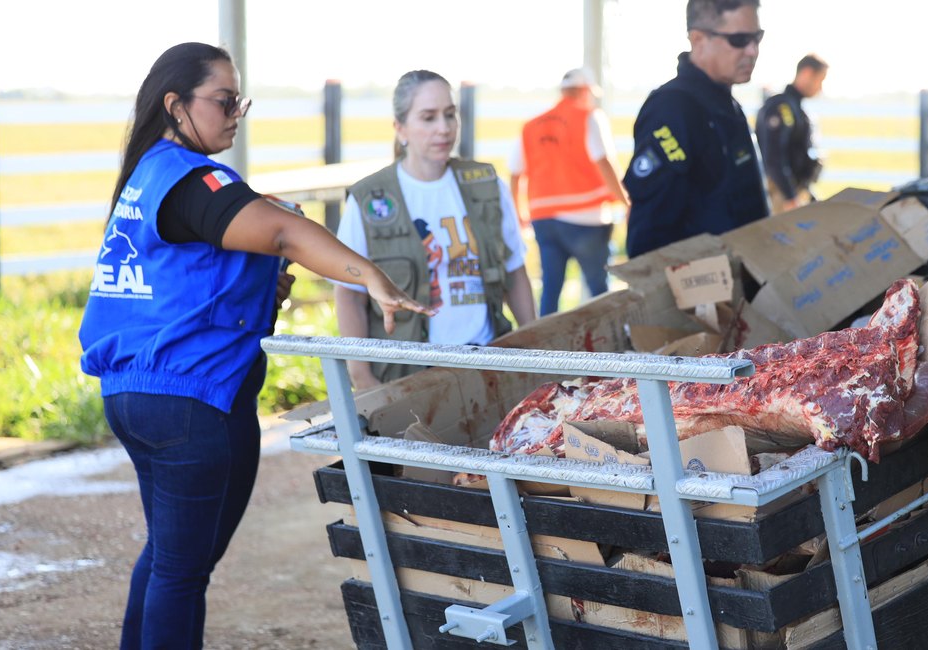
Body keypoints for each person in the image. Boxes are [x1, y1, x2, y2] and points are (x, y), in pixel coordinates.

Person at [77, 43, 430, 650]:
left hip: (135, 392)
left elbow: (198, 276)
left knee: (168, 557)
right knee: (183, 571)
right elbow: (285, 231)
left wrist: (260, 285)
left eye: (240, 100)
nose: (236, 111)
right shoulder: (195, 179)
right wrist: (369, 275)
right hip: (189, 400)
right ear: (175, 104)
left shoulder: (149, 175)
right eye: (222, 100)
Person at [333, 70, 536, 388]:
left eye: (450, 114)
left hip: (487, 363)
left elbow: (514, 272)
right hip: (409, 376)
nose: (443, 128)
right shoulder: (370, 199)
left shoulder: (486, 185)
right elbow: (349, 293)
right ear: (400, 128)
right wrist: (361, 375)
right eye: (428, 118)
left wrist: (533, 348)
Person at [623, 0, 769, 258]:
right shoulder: (674, 108)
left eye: (757, 38)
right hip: (701, 290)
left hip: (740, 285)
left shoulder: (724, 103)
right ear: (698, 39)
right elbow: (649, 231)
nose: (752, 51)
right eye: (739, 40)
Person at [509, 67, 629, 316]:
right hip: (587, 219)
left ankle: (543, 347)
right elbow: (603, 161)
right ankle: (607, 345)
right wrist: (626, 201)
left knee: (550, 289)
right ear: (585, 90)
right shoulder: (589, 117)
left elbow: (515, 173)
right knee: (599, 290)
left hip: (543, 219)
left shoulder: (531, 126)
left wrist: (519, 214)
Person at [756, 54, 828, 213]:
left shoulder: (796, 107)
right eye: (820, 80)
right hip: (782, 193)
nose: (820, 88)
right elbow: (773, 157)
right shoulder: (781, 107)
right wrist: (789, 197)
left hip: (794, 190)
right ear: (807, 73)